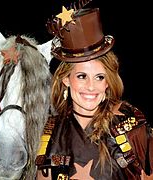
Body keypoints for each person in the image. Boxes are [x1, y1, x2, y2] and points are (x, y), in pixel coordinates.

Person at [35, 4, 153, 180]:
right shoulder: (47, 131)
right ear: (66, 79)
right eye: (82, 76)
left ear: (107, 83)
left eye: (99, 77)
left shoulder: (133, 126)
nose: (91, 87)